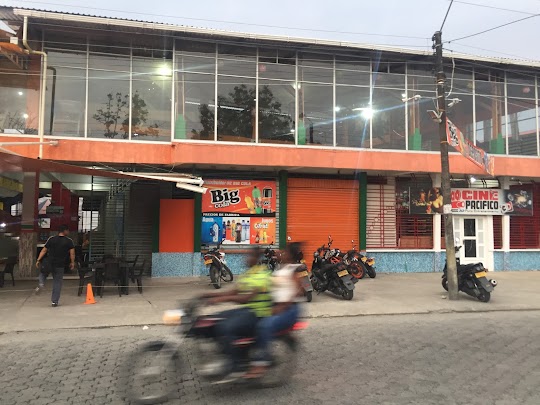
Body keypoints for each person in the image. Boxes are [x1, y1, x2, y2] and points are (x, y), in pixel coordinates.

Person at [202, 246, 272, 383]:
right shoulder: (249, 273)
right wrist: (209, 295)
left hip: (258, 314)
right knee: (215, 319)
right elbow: (234, 291)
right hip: (248, 310)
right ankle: (228, 352)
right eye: (247, 255)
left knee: (225, 327)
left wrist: (220, 300)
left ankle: (235, 365)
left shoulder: (262, 274)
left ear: (256, 258)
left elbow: (246, 298)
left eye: (250, 256)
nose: (246, 259)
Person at [245, 242, 303, 379]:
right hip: (275, 305)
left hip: (289, 309)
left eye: (285, 251)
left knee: (264, 326)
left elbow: (298, 291)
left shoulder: (295, 269)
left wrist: (283, 306)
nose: (281, 252)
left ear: (290, 255)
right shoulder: (280, 268)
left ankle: (261, 362)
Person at [35, 224, 75, 307]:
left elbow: (44, 250)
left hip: (49, 262)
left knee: (43, 274)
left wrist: (38, 260)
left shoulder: (51, 239)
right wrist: (72, 262)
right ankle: (54, 301)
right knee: (57, 282)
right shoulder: (69, 241)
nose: (68, 232)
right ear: (65, 231)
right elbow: (72, 253)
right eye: (68, 230)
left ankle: (41, 283)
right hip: (60, 265)